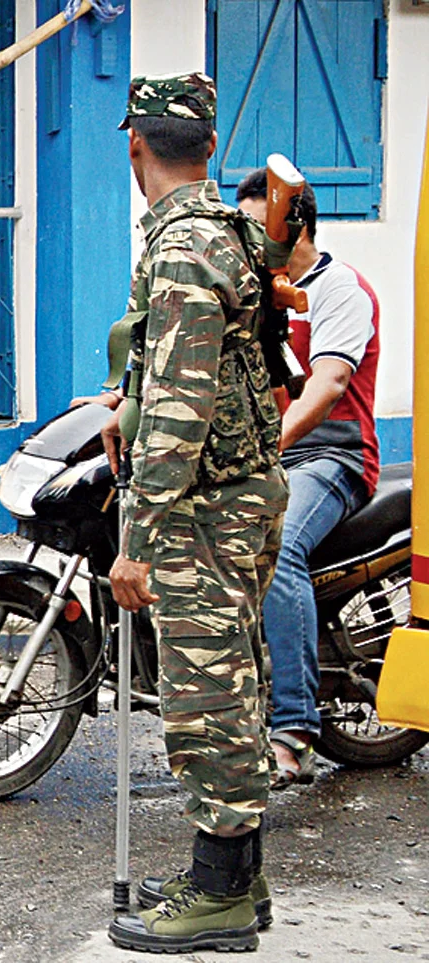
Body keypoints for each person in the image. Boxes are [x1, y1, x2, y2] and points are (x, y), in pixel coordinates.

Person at [103, 72, 286, 954]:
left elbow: (182, 405)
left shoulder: (182, 248)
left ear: (134, 144)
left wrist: (136, 540)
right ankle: (236, 882)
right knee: (237, 681)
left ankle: (217, 898)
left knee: (206, 697)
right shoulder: (233, 232)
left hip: (203, 508)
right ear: (209, 148)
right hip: (245, 490)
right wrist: (123, 402)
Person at [234, 168, 380, 787]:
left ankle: (292, 730)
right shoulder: (257, 291)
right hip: (266, 452)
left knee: (279, 544)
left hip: (331, 456)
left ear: (287, 226)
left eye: (251, 225)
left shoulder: (339, 289)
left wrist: (270, 446)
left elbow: (328, 385)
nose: (241, 238)